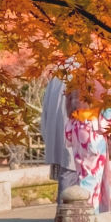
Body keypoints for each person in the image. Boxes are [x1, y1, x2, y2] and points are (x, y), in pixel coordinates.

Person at [64, 90, 111, 212]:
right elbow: (109, 111)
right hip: (93, 128)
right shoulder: (102, 76)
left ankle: (85, 216)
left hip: (77, 126)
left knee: (82, 175)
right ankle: (89, 219)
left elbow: (68, 104)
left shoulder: (77, 76)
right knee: (92, 178)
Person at [41, 75, 71, 203]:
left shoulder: (56, 77)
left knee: (66, 175)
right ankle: (67, 216)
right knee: (71, 174)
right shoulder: (83, 71)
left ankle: (62, 214)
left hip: (59, 134)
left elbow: (45, 113)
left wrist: (48, 137)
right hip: (76, 135)